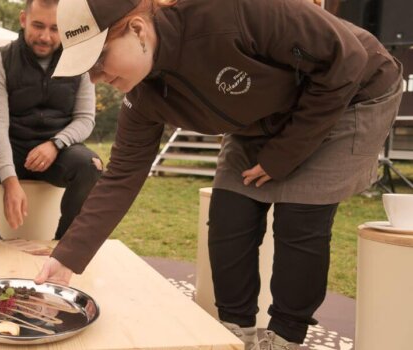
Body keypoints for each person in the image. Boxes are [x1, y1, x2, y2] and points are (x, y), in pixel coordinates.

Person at [33, 0, 403, 348]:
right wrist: (68, 257)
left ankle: (285, 336)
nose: (97, 78)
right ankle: (235, 328)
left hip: (350, 90)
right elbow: (122, 174)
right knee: (229, 214)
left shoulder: (232, 9)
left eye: (99, 59)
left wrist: (282, 156)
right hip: (263, 115)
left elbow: (345, 60)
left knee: (299, 216)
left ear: (138, 29)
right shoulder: (143, 99)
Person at [0, 0, 102, 241]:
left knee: (92, 165)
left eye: (55, 28)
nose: (45, 37)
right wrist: (9, 181)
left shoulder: (79, 63)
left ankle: (63, 248)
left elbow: (85, 119)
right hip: (9, 146)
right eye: (38, 26)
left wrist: (56, 144)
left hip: (58, 153)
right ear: (23, 19)